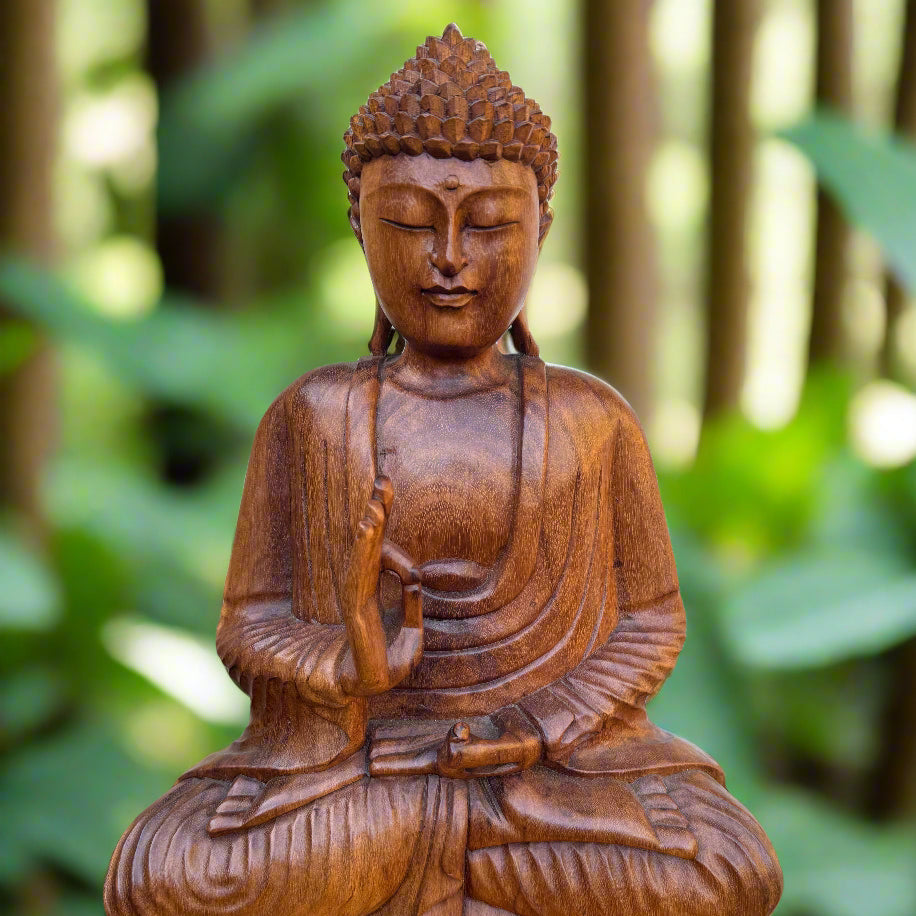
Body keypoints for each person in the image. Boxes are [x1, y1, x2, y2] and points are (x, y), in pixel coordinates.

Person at [105, 24, 782, 916]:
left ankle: (433, 866)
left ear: (541, 226)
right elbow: (248, 625)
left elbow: (650, 621)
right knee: (168, 873)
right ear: (361, 228)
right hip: (362, 768)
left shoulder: (591, 420)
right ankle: (460, 865)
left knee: (728, 868)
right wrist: (347, 662)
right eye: (411, 224)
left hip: (548, 775)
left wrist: (536, 726)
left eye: (490, 225)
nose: (452, 259)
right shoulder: (314, 416)